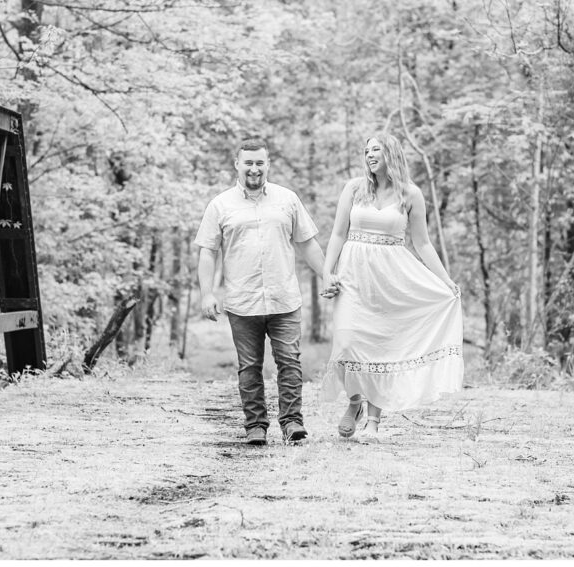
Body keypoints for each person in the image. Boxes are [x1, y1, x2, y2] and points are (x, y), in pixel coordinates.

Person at [194, 135, 335, 446]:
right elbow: (207, 251)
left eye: (260, 163)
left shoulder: (287, 199)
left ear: (268, 165)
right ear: (237, 165)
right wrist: (207, 293)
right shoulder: (220, 205)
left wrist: (326, 275)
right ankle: (256, 426)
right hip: (242, 301)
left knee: (290, 361)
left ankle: (292, 422)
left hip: (284, 298)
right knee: (249, 366)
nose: (254, 169)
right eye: (248, 163)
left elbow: (307, 243)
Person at [321, 133, 463, 438]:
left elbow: (423, 243)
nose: (370, 155)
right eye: (366, 150)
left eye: (376, 149)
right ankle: (355, 401)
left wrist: (445, 280)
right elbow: (337, 234)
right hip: (352, 276)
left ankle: (373, 420)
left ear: (391, 154)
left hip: (390, 279)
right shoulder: (354, 189)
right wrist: (326, 272)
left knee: (380, 347)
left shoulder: (410, 194)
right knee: (347, 342)